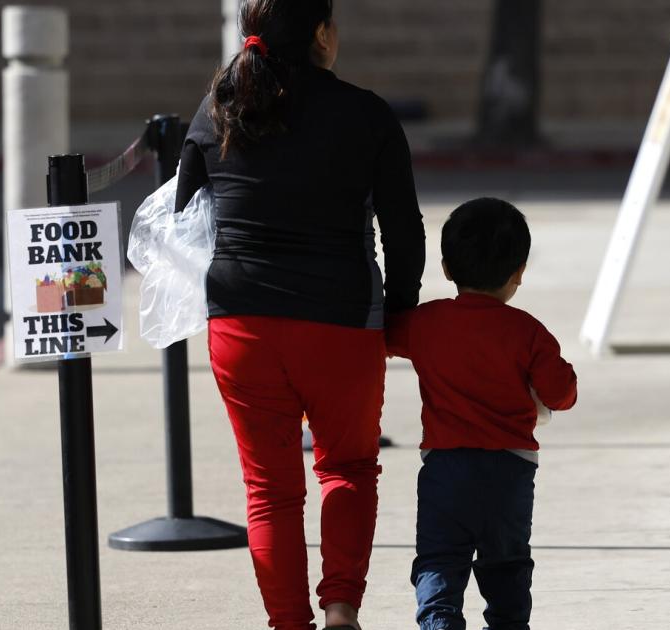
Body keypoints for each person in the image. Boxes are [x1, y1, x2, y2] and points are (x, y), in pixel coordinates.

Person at [174, 1, 426, 628]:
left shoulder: (217, 112)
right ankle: (341, 609)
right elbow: (404, 231)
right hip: (340, 320)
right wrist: (399, 317)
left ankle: (289, 623)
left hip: (240, 326)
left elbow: (184, 218)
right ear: (321, 33)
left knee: (269, 492)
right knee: (347, 469)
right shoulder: (365, 114)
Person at [385, 197, 578, 630]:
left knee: (439, 559)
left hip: (444, 469)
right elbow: (562, 393)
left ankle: (439, 622)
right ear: (518, 274)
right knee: (506, 563)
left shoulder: (425, 322)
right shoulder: (528, 331)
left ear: (448, 268)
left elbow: (380, 338)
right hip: (509, 471)